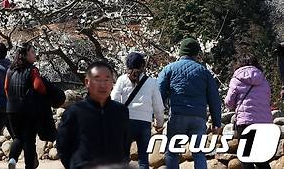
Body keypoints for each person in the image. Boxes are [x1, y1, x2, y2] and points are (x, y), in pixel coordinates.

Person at [157, 37, 222, 169]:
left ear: (180, 52)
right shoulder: (204, 72)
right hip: (198, 117)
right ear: (196, 53)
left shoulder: (169, 69)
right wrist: (217, 123)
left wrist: (156, 117)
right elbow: (214, 98)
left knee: (173, 152)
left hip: (177, 116)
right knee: (198, 153)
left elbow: (158, 94)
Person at [57, 60, 130, 168]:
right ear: (87, 82)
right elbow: (63, 146)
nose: (103, 85)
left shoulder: (121, 111)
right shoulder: (74, 112)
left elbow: (126, 143)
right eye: (97, 79)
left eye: (107, 79)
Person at [110, 52, 164, 169]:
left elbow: (113, 101)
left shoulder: (121, 80)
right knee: (143, 160)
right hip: (144, 123)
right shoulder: (151, 82)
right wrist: (159, 123)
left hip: (125, 123)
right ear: (142, 65)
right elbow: (158, 106)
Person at [224, 55, 272, 169]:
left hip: (246, 123)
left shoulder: (236, 80)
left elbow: (229, 103)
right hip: (264, 123)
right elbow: (267, 99)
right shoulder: (263, 80)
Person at [4, 43, 47, 169]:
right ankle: (29, 166)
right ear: (26, 55)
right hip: (27, 109)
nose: (35, 54)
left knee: (17, 137)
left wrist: (12, 101)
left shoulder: (10, 70)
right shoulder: (32, 70)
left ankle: (12, 159)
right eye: (32, 52)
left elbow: (6, 87)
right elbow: (39, 87)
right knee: (29, 140)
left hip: (11, 109)